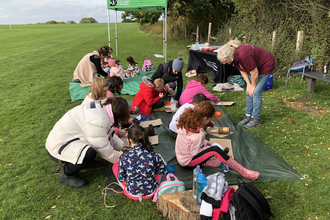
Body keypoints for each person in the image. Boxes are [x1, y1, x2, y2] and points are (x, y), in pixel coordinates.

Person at [46, 97, 131, 188]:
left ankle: (86, 162)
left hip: (66, 138)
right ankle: (67, 174)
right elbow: (104, 149)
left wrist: (122, 147)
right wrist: (125, 160)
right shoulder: (98, 120)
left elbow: (109, 132)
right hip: (59, 146)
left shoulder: (103, 109)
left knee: (92, 150)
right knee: (89, 153)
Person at [175, 101, 259, 181]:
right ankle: (244, 172)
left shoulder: (188, 122)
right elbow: (194, 153)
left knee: (211, 149)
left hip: (181, 157)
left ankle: (210, 162)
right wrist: (207, 148)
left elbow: (190, 141)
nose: (209, 122)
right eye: (209, 119)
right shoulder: (199, 135)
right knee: (215, 150)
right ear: (205, 118)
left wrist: (205, 143)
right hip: (188, 163)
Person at [217, 39, 275, 128]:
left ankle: (255, 119)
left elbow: (254, 73)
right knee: (249, 91)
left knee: (255, 92)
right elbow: (242, 70)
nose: (224, 63)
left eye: (225, 61)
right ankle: (248, 116)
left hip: (266, 65)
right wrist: (248, 84)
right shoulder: (234, 58)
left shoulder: (244, 56)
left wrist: (253, 86)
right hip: (254, 67)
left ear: (230, 56)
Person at [113, 124, 167, 200]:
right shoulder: (154, 155)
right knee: (157, 170)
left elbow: (121, 178)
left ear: (128, 141)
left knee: (115, 165)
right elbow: (163, 171)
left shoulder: (124, 157)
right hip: (151, 191)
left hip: (132, 193)